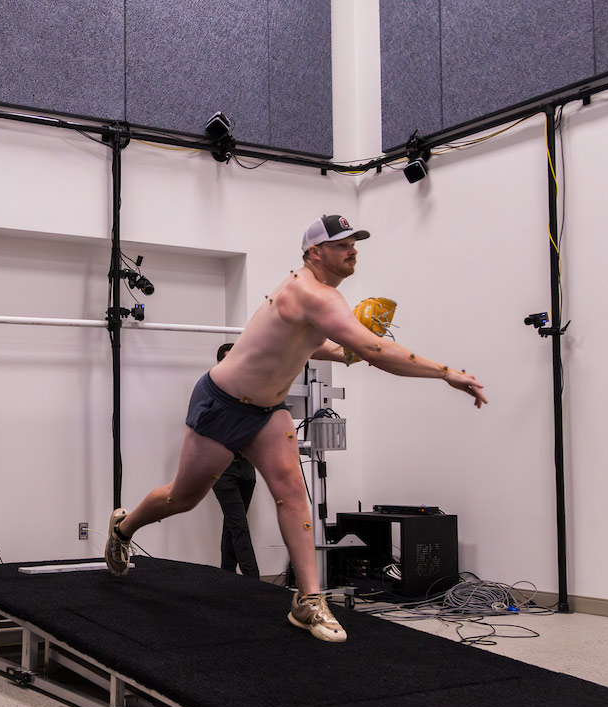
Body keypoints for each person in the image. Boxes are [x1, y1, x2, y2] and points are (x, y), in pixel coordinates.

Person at [105, 214, 487, 643]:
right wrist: (445, 372)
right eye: (341, 244)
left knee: (292, 492)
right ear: (314, 252)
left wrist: (341, 353)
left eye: (354, 243)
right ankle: (123, 528)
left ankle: (308, 600)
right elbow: (376, 350)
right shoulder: (312, 293)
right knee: (182, 498)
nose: (352, 250)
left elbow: (305, 341)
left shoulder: (313, 295)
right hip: (222, 404)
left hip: (267, 411)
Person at [211, 343, 260, 578]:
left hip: (247, 468)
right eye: (226, 359)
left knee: (232, 524)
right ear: (219, 363)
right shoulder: (211, 393)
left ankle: (227, 575)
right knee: (239, 525)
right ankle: (254, 580)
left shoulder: (248, 392)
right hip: (223, 469)